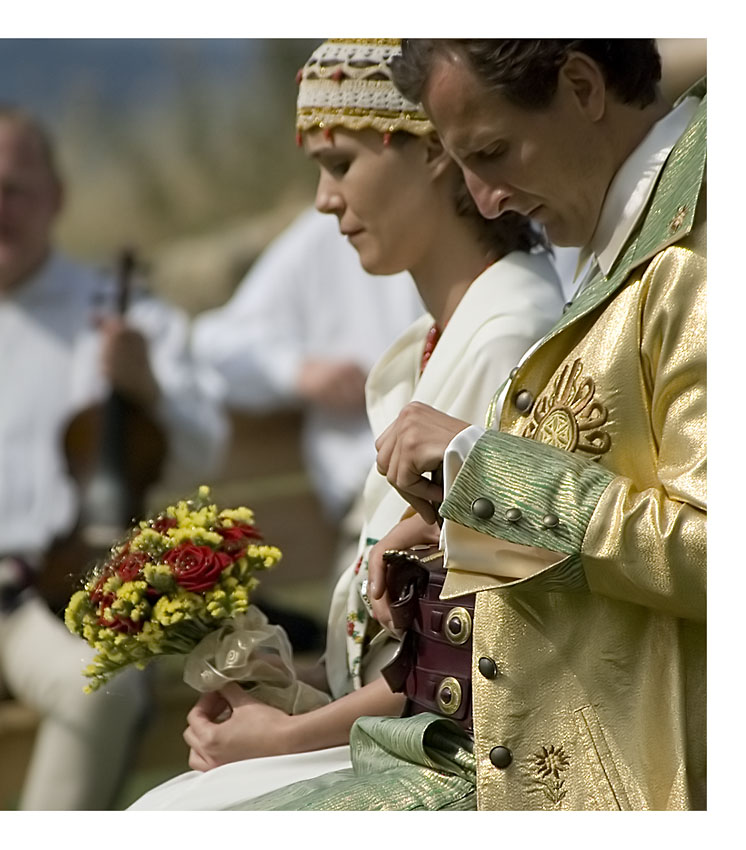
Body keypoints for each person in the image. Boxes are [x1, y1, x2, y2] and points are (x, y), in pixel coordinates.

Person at [237, 38, 705, 811]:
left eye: (491, 150)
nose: (483, 197)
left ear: (583, 87)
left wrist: (481, 470)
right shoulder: (626, 237)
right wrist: (457, 523)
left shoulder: (698, 250)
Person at [128, 37, 563, 811]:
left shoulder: (510, 332)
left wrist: (284, 736)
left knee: (167, 815)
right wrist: (276, 692)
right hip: (404, 726)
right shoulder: (436, 337)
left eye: (341, 165)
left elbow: (485, 649)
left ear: (433, 152)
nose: (326, 201)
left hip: (477, 760)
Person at [0, 104, 228, 810]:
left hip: (55, 600)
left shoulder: (121, 312)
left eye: (16, 189)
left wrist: (146, 386)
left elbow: (202, 455)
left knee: (103, 681)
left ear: (55, 197)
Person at [191, 205, 425, 526]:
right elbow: (214, 345)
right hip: (367, 504)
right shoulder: (324, 235)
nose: (326, 195)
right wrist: (296, 370)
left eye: (342, 165)